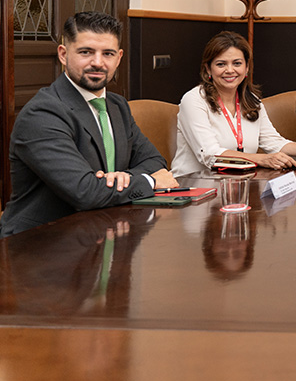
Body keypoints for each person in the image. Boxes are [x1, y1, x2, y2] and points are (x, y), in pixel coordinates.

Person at [1, 12, 178, 237]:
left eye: (108, 54)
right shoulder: (42, 113)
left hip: (102, 233)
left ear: (119, 58)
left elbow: (154, 161)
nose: (97, 62)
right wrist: (148, 181)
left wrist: (122, 180)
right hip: (39, 246)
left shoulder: (117, 106)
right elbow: (85, 192)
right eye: (86, 52)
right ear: (63, 55)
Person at [173, 31, 296, 174]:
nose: (230, 70)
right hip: (193, 188)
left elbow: (274, 142)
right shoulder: (193, 100)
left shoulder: (252, 101)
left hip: (235, 185)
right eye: (221, 64)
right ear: (208, 69)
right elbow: (209, 154)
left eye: (237, 63)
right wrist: (261, 159)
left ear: (247, 68)